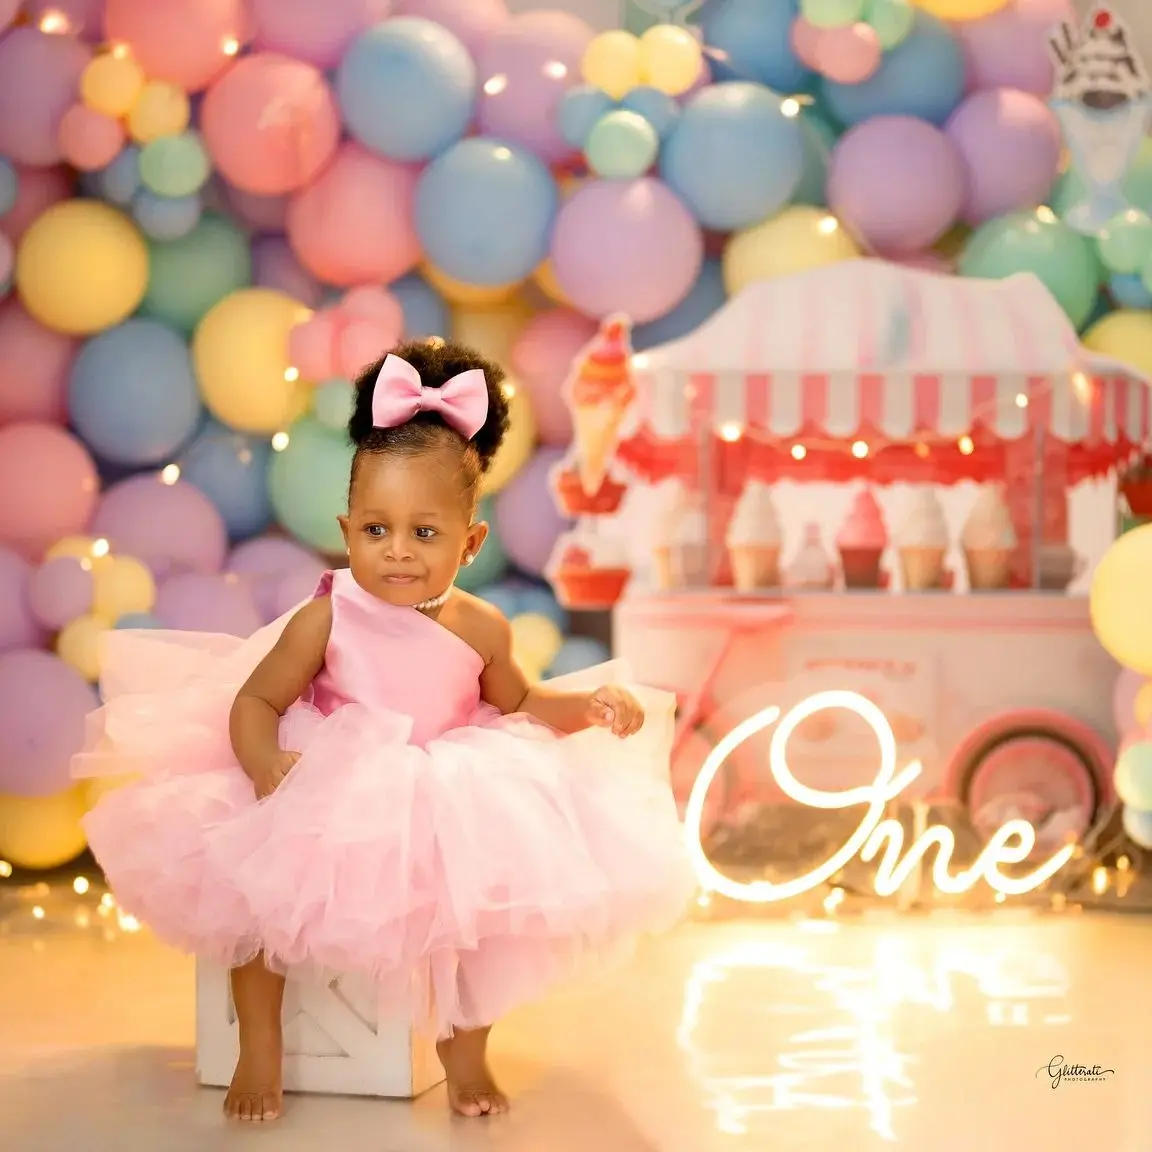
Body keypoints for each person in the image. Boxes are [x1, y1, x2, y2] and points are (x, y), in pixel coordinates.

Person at [74, 339, 694, 1123]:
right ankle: (258, 1044)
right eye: (376, 530)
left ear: (471, 542)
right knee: (259, 908)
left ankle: (464, 1053)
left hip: (441, 786)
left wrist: (589, 708)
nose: (397, 549)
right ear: (346, 528)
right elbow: (254, 702)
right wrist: (267, 766)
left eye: (424, 534)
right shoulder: (327, 615)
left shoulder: (482, 626)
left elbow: (520, 702)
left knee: (476, 921)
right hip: (332, 778)